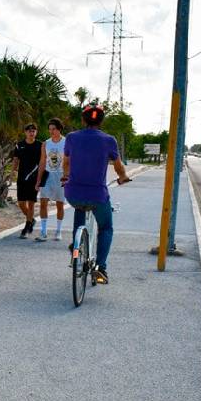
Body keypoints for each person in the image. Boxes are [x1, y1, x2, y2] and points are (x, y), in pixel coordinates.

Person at [61, 104, 131, 284]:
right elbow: (118, 166)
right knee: (106, 227)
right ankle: (101, 267)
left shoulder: (71, 138)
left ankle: (76, 245)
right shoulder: (109, 140)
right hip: (97, 194)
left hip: (73, 192)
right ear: (101, 121)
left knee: (80, 206)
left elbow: (66, 163)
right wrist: (123, 177)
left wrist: (66, 177)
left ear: (83, 120)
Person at [34, 118, 66, 241]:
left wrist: (68, 177)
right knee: (43, 202)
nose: (51, 131)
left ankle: (58, 231)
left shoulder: (66, 142)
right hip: (47, 175)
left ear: (59, 129)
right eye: (50, 129)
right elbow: (42, 162)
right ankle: (43, 231)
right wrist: (38, 180)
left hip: (61, 175)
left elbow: (70, 161)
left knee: (59, 204)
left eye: (54, 129)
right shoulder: (46, 144)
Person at [10, 123, 42, 238]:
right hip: (21, 178)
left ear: (36, 132)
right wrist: (12, 172)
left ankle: (27, 227)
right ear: (25, 132)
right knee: (21, 203)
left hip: (34, 178)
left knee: (31, 203)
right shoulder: (20, 145)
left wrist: (41, 177)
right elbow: (15, 159)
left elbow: (43, 162)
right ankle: (31, 219)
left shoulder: (40, 145)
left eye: (33, 131)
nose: (31, 133)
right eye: (29, 131)